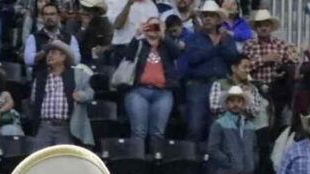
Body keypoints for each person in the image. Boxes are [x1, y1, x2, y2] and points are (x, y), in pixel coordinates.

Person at [179, 0, 237, 142]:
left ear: (218, 19)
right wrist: (215, 47)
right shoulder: (193, 38)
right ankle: (192, 155)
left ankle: (211, 156)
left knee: (216, 127)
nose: (208, 18)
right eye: (205, 16)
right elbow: (192, 58)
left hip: (220, 85)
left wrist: (222, 43)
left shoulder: (227, 38)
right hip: (198, 84)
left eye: (211, 16)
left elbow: (234, 58)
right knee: (195, 126)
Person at [123, 17, 180, 143]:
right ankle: (137, 156)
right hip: (138, 91)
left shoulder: (166, 46)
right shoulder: (139, 44)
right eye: (150, 26)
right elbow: (128, 56)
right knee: (139, 131)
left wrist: (164, 36)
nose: (154, 29)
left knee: (158, 133)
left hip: (163, 92)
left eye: (157, 26)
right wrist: (137, 34)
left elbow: (177, 53)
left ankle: (156, 155)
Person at [30, 39, 94, 149]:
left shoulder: (77, 75)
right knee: (41, 158)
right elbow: (33, 99)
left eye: (53, 53)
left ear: (63, 57)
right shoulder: (40, 77)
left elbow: (90, 93)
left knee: (64, 158)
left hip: (66, 127)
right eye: (48, 53)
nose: (49, 56)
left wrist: (81, 96)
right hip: (44, 126)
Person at [241, 9, 299, 98]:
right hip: (256, 88)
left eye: (266, 25)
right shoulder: (248, 45)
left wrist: (283, 72)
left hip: (278, 89)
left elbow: (292, 64)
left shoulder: (281, 44)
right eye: (260, 26)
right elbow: (243, 67)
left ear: (271, 27)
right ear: (256, 28)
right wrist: (263, 59)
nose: (263, 28)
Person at [206, 85, 258, 174]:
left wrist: (251, 163)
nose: (235, 104)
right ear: (227, 103)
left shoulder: (250, 126)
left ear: (243, 104)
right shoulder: (219, 124)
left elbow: (254, 148)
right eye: (232, 101)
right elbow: (212, 149)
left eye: (239, 101)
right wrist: (229, 162)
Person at [24, 0, 81, 72]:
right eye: (46, 14)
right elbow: (28, 60)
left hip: (64, 77)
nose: (49, 17)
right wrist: (45, 50)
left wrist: (61, 46)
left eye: (52, 14)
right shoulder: (33, 37)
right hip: (42, 76)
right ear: (42, 17)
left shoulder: (70, 37)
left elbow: (76, 61)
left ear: (58, 16)